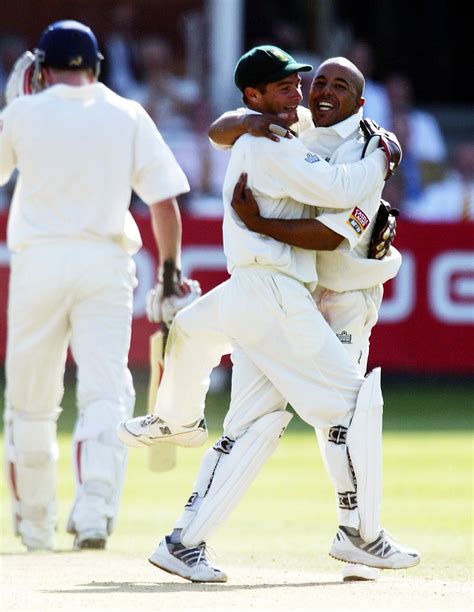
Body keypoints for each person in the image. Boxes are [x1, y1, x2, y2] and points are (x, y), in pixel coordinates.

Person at [119, 46, 419, 581]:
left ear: (360, 100)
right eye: (311, 83)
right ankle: (363, 536)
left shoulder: (343, 138)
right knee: (353, 407)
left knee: (255, 420)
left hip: (330, 290)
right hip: (282, 291)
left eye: (331, 86)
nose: (314, 93)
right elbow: (228, 129)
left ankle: (184, 539)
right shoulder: (286, 132)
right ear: (259, 97)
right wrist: (251, 122)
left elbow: (334, 230)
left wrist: (261, 212)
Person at [0, 19, 193, 552]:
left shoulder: (21, 112)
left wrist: (12, 112)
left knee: (31, 401)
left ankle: (35, 526)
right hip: (106, 265)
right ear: (98, 67)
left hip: (38, 263)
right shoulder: (127, 113)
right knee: (106, 393)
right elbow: (164, 204)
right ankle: (94, 512)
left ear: (42, 68)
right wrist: (170, 275)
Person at [405, 141, 474, 222]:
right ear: (456, 162)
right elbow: (420, 217)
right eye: (464, 159)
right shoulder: (438, 191)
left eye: (471, 160)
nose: (468, 164)